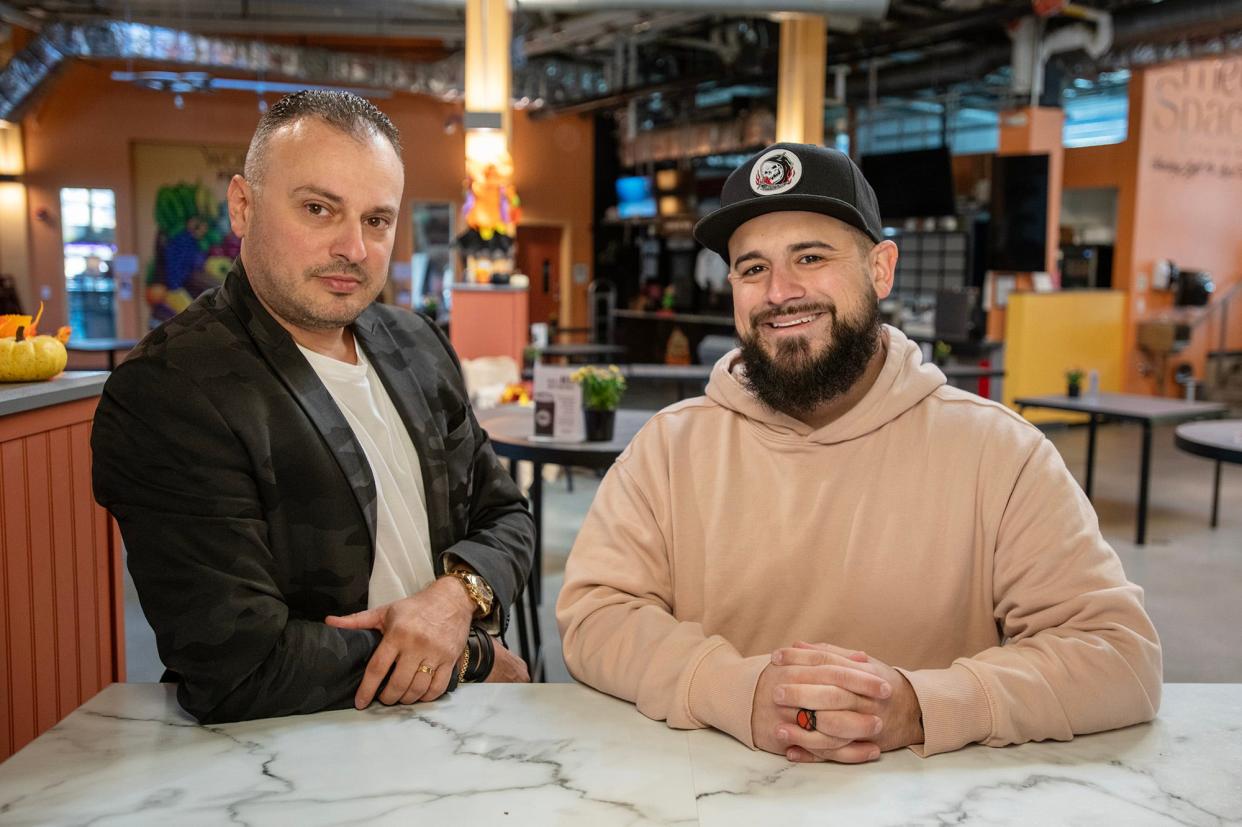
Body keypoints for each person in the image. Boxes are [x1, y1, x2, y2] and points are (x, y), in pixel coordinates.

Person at [556, 143, 1160, 763]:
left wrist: (920, 706)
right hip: (709, 796)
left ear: (881, 268)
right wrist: (736, 690)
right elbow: (596, 616)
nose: (780, 293)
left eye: (811, 257)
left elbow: (1118, 656)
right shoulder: (669, 448)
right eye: (752, 268)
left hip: (929, 803)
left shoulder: (999, 453)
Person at [93, 91, 534, 724]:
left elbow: (507, 515)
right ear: (243, 207)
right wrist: (469, 656)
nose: (353, 247)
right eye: (319, 209)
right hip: (296, 756)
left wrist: (456, 594)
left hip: (456, 736)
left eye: (377, 220)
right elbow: (238, 666)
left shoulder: (419, 344)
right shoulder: (171, 390)